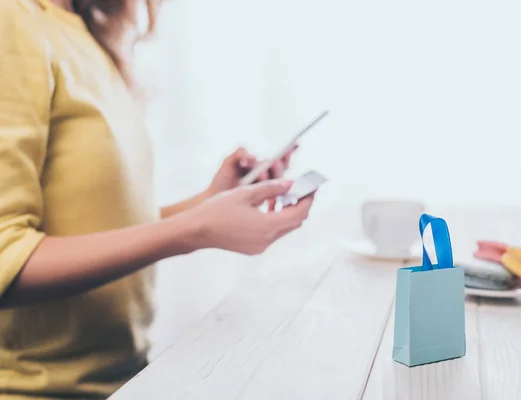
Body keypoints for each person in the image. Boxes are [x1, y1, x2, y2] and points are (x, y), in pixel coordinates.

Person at [0, 0, 315, 399]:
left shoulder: (85, 36)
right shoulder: (14, 19)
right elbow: (6, 258)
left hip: (124, 381)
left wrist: (210, 200)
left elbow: (104, 227)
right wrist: (195, 229)